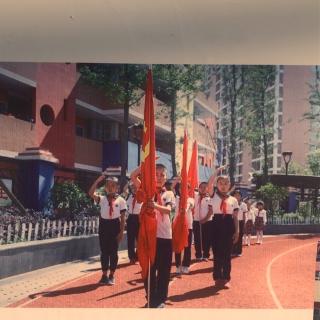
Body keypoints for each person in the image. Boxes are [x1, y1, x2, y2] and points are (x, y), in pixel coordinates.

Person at [131, 163, 175, 308]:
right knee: (149, 268)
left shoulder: (168, 193)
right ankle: (150, 298)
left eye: (163, 175)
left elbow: (168, 211)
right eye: (156, 174)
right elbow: (133, 176)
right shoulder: (146, 190)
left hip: (165, 237)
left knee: (164, 270)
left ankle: (161, 298)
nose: (160, 177)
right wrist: (144, 165)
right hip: (150, 237)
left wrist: (153, 205)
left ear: (166, 177)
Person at [88, 175, 126, 285]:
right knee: (104, 252)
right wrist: (97, 181)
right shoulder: (102, 199)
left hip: (115, 226)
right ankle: (104, 275)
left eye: (113, 185)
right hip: (104, 226)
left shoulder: (121, 200)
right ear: (105, 187)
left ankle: (112, 275)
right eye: (108, 185)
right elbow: (91, 193)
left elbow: (123, 218)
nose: (110, 187)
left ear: (117, 188)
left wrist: (121, 232)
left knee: (113, 253)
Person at [209, 175, 239, 289]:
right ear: (217, 185)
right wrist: (215, 173)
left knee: (227, 255)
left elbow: (235, 217)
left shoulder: (233, 200)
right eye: (221, 183)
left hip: (228, 225)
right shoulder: (213, 196)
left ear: (229, 185)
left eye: (226, 183)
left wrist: (237, 231)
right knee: (217, 254)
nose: (223, 186)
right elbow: (209, 185)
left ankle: (226, 278)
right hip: (216, 225)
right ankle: (217, 277)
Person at [174, 184, 195, 275]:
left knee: (187, 246)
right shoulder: (175, 198)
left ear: (188, 189)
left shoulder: (190, 199)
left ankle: (186, 265)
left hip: (188, 225)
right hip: (177, 225)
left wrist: (185, 210)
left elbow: (190, 205)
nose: (182, 189)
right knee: (177, 245)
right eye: (181, 187)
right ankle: (178, 265)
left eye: (186, 188)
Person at [193, 182, 212, 261]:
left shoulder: (210, 198)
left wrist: (204, 220)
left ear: (207, 189)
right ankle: (198, 254)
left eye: (205, 187)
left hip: (207, 221)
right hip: (196, 221)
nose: (203, 189)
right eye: (201, 187)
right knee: (197, 238)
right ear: (198, 188)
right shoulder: (195, 196)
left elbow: (211, 211)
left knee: (206, 238)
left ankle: (206, 255)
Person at [126, 183, 143, 264]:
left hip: (139, 218)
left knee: (139, 239)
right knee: (130, 239)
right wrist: (129, 182)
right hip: (130, 218)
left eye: (136, 187)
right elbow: (124, 189)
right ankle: (131, 257)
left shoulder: (142, 196)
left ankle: (138, 256)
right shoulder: (128, 196)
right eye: (132, 187)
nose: (134, 189)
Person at [231, 190, 248, 257]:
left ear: (241, 196)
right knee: (232, 236)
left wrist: (244, 223)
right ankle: (232, 251)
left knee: (240, 237)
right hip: (232, 221)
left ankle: (238, 251)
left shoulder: (244, 205)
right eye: (235, 195)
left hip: (240, 222)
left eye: (239, 195)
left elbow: (244, 215)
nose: (237, 196)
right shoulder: (231, 203)